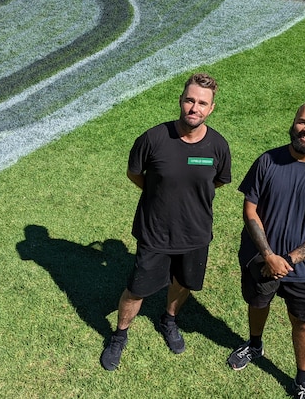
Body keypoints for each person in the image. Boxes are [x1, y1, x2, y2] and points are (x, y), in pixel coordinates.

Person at [99, 73, 232, 371]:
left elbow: (218, 181)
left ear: (211, 109)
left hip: (195, 233)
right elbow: (135, 173)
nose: (194, 108)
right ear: (181, 101)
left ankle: (168, 320)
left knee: (183, 283)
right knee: (137, 288)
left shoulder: (218, 146)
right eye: (190, 100)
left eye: (202, 103)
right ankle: (120, 335)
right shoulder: (153, 138)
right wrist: (158, 190)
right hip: (155, 231)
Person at [226, 102, 305, 399]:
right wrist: (269, 256)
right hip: (260, 259)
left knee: (303, 323)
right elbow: (250, 209)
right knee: (258, 305)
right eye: (303, 122)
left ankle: (302, 381)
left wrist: (288, 259)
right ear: (294, 123)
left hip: (304, 270)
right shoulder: (268, 161)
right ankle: (255, 345)